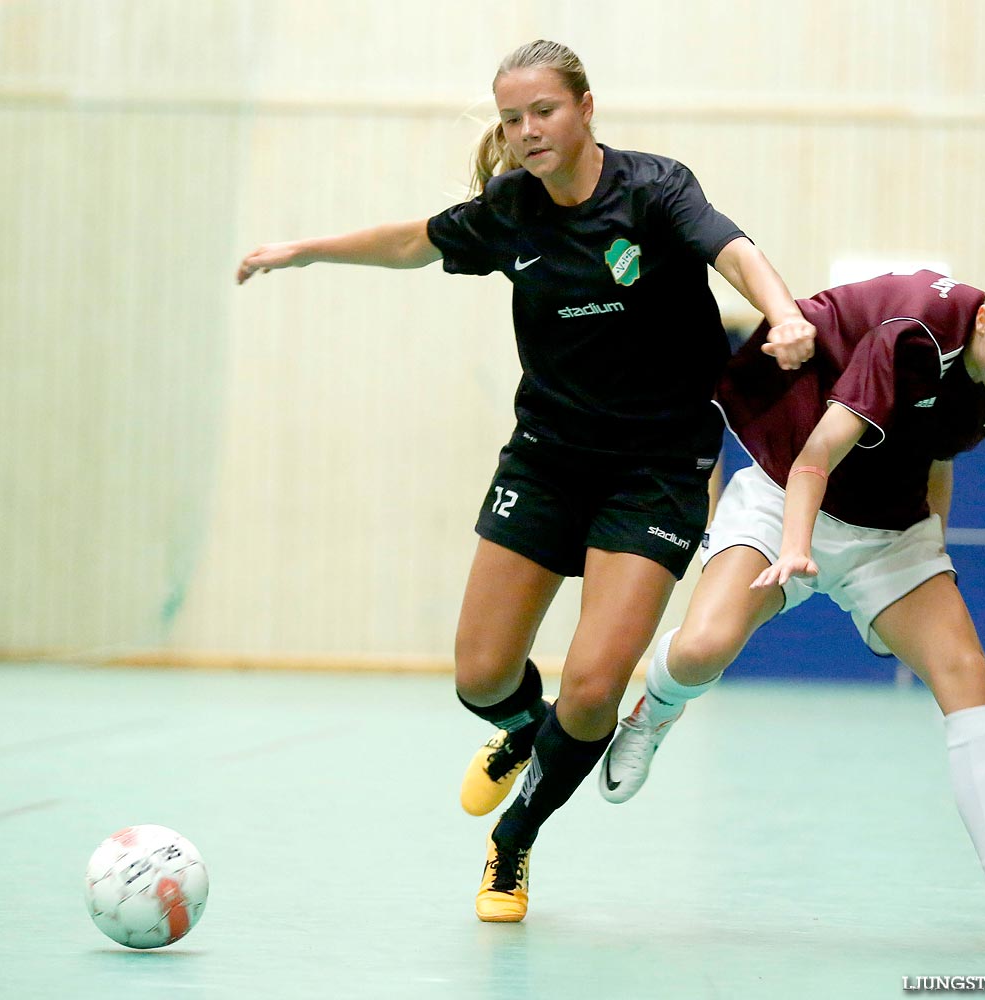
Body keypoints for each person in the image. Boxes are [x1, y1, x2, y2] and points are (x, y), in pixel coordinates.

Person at [235, 39, 816, 923]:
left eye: (542, 110)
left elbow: (732, 247)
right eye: (511, 118)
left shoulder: (654, 190)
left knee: (590, 690)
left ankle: (514, 842)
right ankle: (519, 730)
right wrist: (306, 249)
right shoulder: (510, 211)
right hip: (546, 458)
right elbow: (410, 240)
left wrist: (780, 312)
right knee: (479, 674)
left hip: (656, 471)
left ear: (585, 107)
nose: (526, 130)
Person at [597, 90, 985, 954]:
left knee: (964, 670)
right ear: (983, 321)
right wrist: (792, 553)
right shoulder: (911, 338)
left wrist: (923, 561)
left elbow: (933, 457)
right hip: (788, 487)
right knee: (705, 647)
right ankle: (653, 713)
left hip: (891, 530)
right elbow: (817, 461)